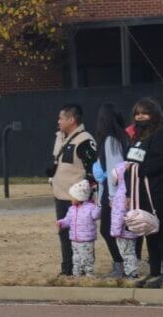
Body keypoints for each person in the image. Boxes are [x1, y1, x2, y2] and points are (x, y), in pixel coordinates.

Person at [129, 97, 163, 287]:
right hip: (141, 190)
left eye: (144, 113)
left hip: (158, 190)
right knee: (148, 230)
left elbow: (162, 161)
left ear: (153, 115)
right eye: (137, 114)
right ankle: (154, 271)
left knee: (162, 230)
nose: (140, 117)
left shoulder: (162, 135)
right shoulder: (138, 137)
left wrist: (138, 169)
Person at [47, 104, 98, 277]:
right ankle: (67, 269)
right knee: (63, 232)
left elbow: (93, 169)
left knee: (82, 236)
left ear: (72, 120)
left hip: (76, 198)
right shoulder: (60, 137)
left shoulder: (85, 140)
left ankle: (86, 270)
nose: (58, 121)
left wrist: (84, 194)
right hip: (59, 194)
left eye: (61, 118)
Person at [92, 103, 137, 277]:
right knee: (116, 230)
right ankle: (123, 264)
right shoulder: (121, 137)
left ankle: (122, 265)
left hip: (114, 195)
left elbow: (115, 169)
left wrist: (112, 197)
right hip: (115, 193)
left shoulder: (110, 140)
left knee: (110, 230)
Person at [55, 178, 100, 277]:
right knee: (76, 258)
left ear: (79, 197)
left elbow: (96, 215)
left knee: (87, 258)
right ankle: (77, 274)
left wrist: (98, 206)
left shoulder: (91, 207)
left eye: (72, 197)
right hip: (75, 240)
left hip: (86, 240)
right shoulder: (71, 209)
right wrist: (62, 223)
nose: (70, 199)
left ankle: (89, 274)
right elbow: (68, 220)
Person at [108, 160, 144, 279]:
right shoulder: (132, 191)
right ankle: (130, 271)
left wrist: (116, 230)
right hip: (130, 229)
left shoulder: (120, 195)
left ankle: (131, 273)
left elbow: (119, 214)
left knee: (127, 253)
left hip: (122, 231)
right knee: (130, 251)